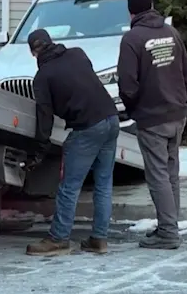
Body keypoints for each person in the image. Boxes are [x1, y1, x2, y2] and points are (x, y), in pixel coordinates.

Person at [24, 29, 120, 257]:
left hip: (87, 127)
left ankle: (59, 239)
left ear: (33, 52)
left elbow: (44, 116)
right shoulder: (78, 54)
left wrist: (40, 149)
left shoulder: (43, 77)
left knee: (69, 187)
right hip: (111, 118)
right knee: (104, 184)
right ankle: (99, 239)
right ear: (51, 42)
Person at [117, 0, 187, 250]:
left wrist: (134, 108)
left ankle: (168, 233)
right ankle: (168, 226)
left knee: (158, 175)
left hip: (152, 118)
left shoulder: (132, 39)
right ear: (152, 6)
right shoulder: (171, 33)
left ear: (130, 11)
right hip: (176, 113)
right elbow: (186, 74)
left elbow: (127, 84)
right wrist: (180, 101)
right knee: (171, 173)